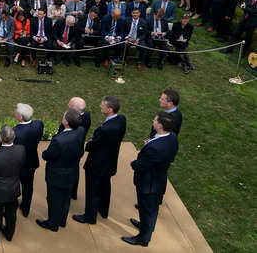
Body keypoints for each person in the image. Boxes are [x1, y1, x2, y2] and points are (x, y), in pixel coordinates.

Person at [122, 111, 179, 247]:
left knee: (147, 210)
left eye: (154, 120)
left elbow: (140, 166)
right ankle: (146, 226)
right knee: (150, 209)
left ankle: (143, 238)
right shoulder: (172, 137)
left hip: (148, 184)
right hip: (159, 179)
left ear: (159, 125)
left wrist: (133, 163)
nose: (152, 122)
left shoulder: (155, 148)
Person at [73, 96, 127, 225]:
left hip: (97, 164)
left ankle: (89, 216)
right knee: (105, 186)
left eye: (102, 105)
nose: (100, 106)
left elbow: (91, 146)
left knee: (92, 190)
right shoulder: (121, 119)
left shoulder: (104, 129)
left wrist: (89, 143)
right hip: (110, 162)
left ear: (110, 109)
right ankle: (103, 210)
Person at [37, 109, 84, 232]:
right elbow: (81, 151)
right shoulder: (80, 131)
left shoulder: (59, 140)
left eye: (64, 117)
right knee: (65, 198)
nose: (62, 118)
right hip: (71, 172)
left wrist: (44, 153)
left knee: (54, 200)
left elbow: (48, 155)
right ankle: (62, 220)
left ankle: (52, 224)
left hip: (57, 175)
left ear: (67, 122)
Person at [13, 103, 44, 217]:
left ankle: (13, 205)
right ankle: (26, 209)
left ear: (20, 117)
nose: (15, 112)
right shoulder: (38, 124)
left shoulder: (15, 132)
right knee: (28, 187)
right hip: (31, 161)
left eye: (16, 111)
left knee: (14, 185)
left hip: (18, 164)